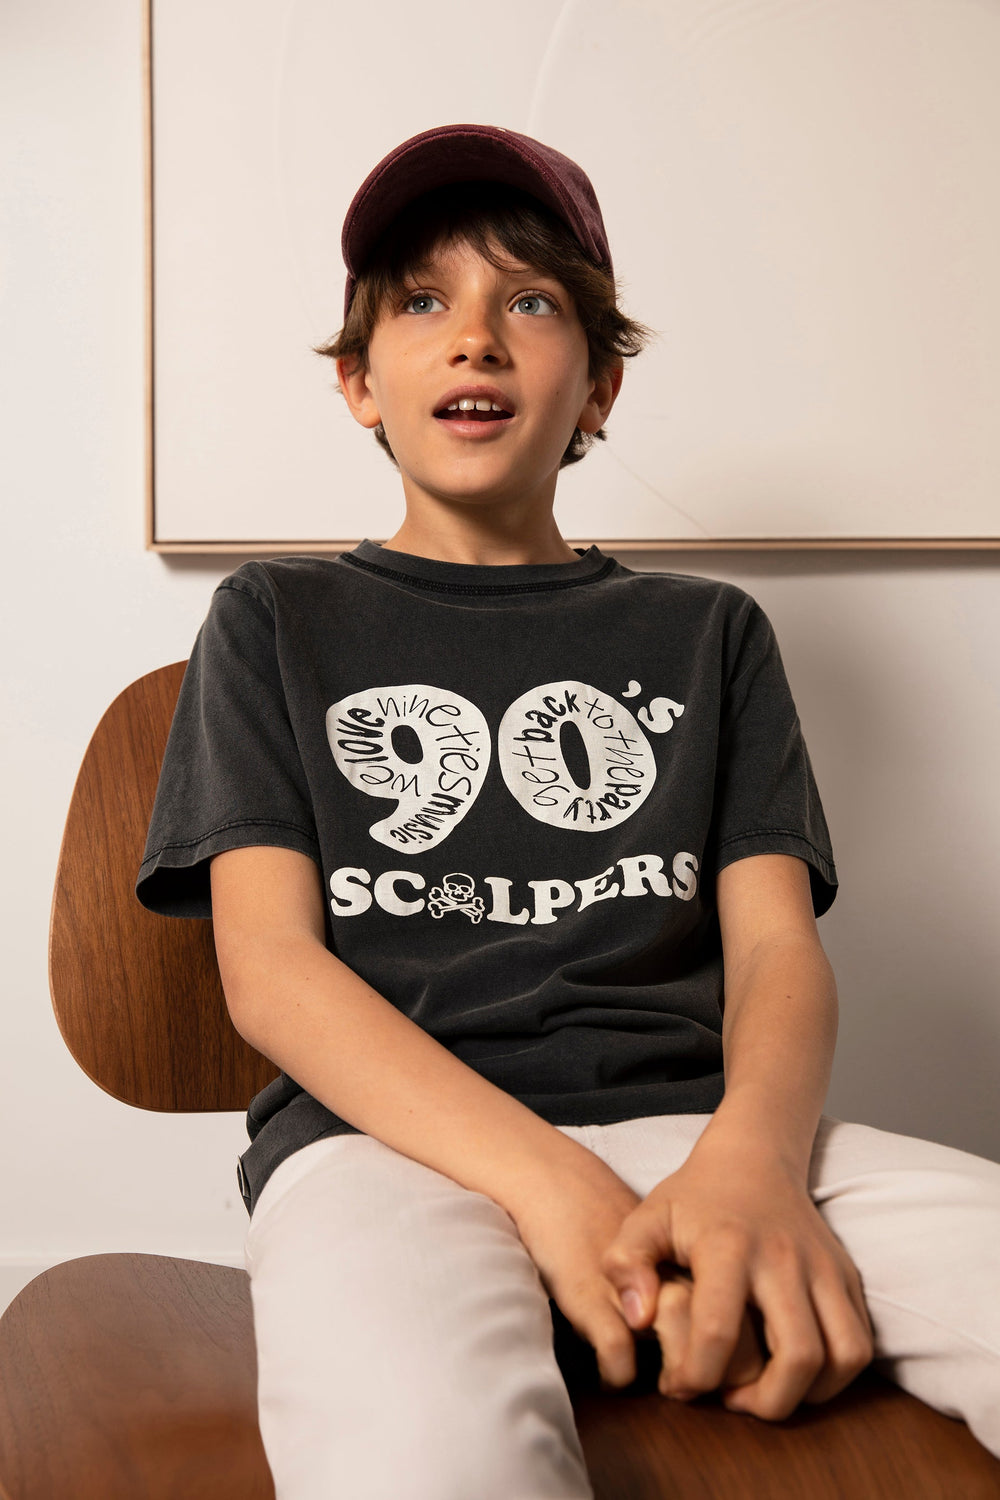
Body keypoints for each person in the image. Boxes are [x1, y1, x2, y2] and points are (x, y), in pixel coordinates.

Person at [136, 124, 1000, 1498]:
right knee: (426, 1450)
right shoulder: (274, 619)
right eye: (424, 301)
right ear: (359, 382)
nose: (475, 337)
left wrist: (756, 1164)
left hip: (702, 1130)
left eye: (530, 302)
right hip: (385, 1147)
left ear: (599, 387)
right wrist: (547, 1184)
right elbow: (271, 972)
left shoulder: (710, 633)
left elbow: (777, 950)